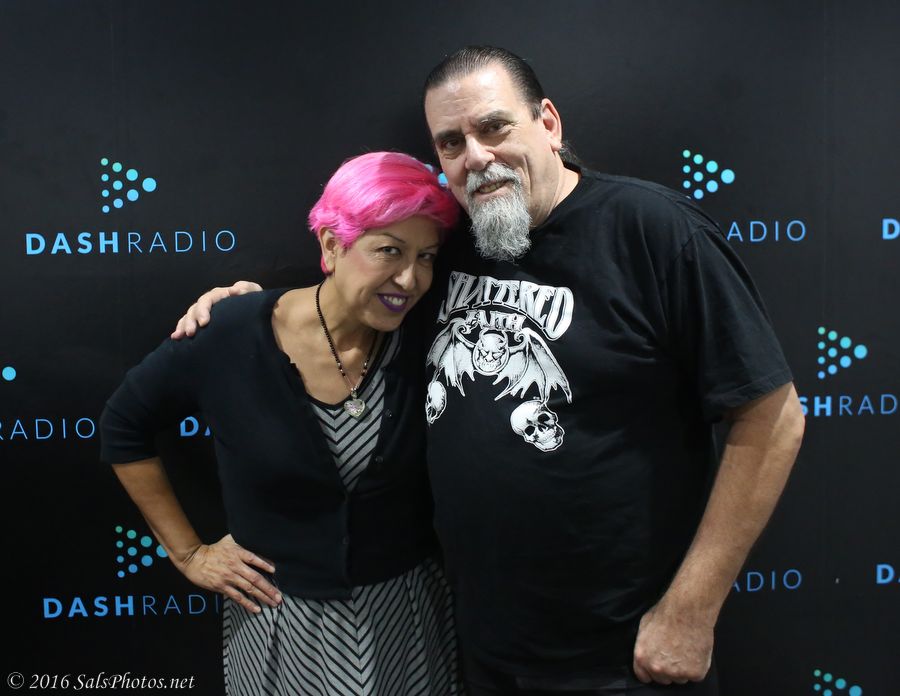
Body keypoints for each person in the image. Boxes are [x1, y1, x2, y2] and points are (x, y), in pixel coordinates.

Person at [173, 47, 805, 695]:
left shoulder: (653, 231)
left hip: (624, 654)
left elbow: (773, 416)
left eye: (494, 127)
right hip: (476, 646)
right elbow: (355, 282)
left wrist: (691, 611)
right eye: (451, 143)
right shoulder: (448, 246)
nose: (475, 156)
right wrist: (251, 308)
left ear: (549, 123)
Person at [100, 152, 463, 696]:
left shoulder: (432, 336)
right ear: (332, 246)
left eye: (426, 256)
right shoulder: (231, 331)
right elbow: (123, 426)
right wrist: (189, 553)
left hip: (407, 619)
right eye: (389, 250)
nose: (410, 279)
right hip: (278, 625)